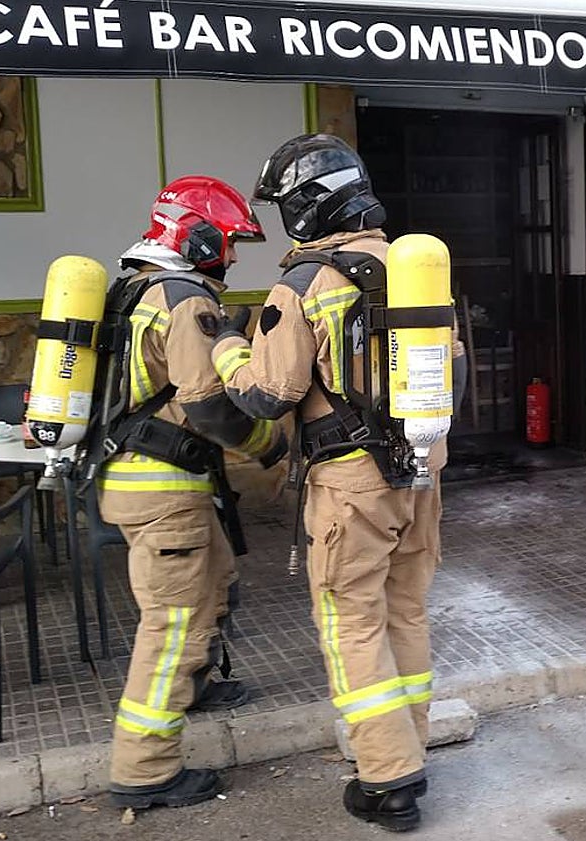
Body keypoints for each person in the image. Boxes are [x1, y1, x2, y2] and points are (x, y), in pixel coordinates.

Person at [210, 134, 465, 833]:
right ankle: (406, 744)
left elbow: (268, 392)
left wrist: (229, 346)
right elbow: (454, 369)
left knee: (351, 621)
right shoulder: (414, 269)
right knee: (406, 609)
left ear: (305, 208)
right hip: (422, 473)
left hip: (351, 484)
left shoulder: (303, 285)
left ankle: (387, 778)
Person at [101, 176, 288, 809]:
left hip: (146, 481)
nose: (232, 257)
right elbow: (207, 404)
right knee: (172, 622)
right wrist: (267, 444)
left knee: (220, 577)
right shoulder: (184, 299)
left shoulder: (133, 286)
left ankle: (196, 683)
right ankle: (145, 770)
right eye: (229, 243)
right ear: (197, 234)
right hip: (163, 490)